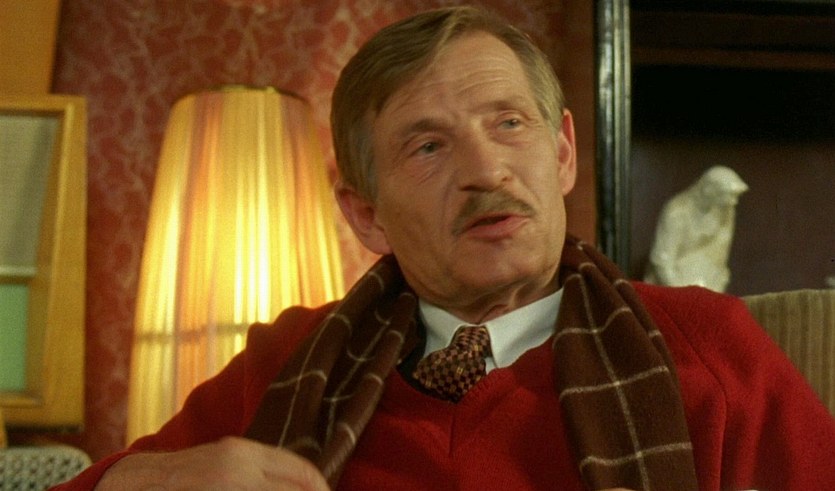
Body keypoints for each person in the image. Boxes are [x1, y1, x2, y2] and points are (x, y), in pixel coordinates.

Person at [56, 6, 835, 491]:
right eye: (428, 146)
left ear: (562, 153)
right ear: (366, 215)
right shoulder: (284, 364)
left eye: (509, 124)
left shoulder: (709, 348)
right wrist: (138, 482)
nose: (485, 170)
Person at [644, 165, 749, 292]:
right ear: (709, 191)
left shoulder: (726, 211)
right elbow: (662, 261)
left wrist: (714, 287)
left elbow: (720, 255)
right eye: (729, 195)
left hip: (707, 278)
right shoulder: (677, 212)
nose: (734, 202)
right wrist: (681, 294)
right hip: (673, 282)